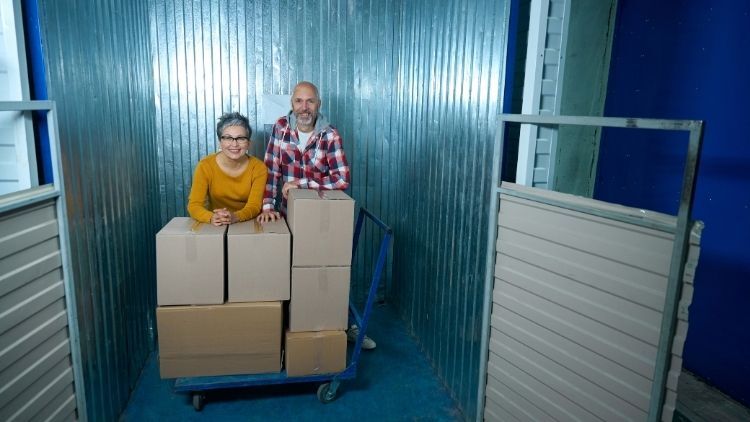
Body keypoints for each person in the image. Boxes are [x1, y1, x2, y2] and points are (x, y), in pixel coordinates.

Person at [257, 81, 376, 350]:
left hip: (321, 222)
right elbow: (271, 172)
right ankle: (290, 329)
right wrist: (267, 206)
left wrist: (302, 184)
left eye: (310, 101)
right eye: (299, 101)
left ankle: (342, 326)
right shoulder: (280, 128)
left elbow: (343, 179)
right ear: (292, 104)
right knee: (287, 271)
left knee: (328, 272)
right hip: (287, 217)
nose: (304, 107)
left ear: (319, 104)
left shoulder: (330, 135)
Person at [187, 112, 267, 226]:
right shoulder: (205, 166)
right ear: (220, 142)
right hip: (215, 224)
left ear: (248, 143)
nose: (234, 144)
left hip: (247, 223)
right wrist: (211, 217)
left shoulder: (258, 168)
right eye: (228, 138)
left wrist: (235, 216)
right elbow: (194, 205)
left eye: (241, 138)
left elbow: (254, 206)